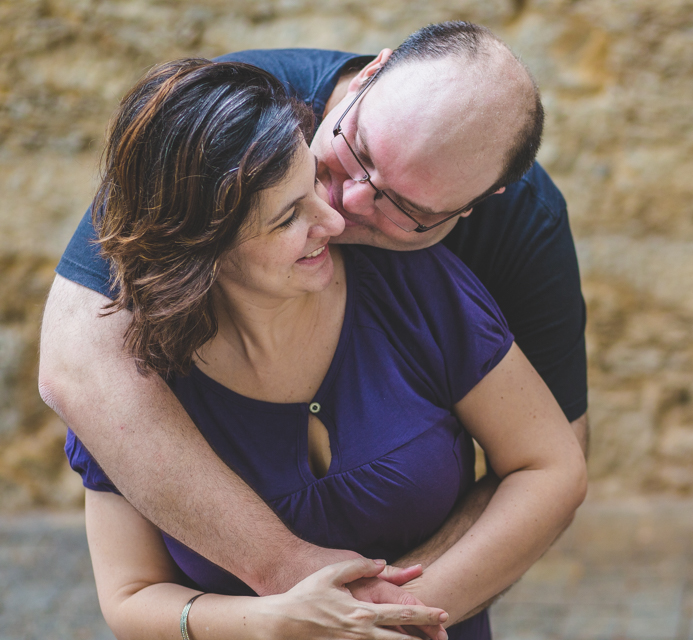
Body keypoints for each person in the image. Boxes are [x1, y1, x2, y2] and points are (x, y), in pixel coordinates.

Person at [40, 21, 587, 600]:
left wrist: (395, 606)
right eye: (357, 152)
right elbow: (77, 364)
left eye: (403, 206)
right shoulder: (236, 116)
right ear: (368, 76)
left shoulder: (515, 230)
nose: (342, 207)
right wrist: (285, 572)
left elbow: (551, 461)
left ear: (478, 206)